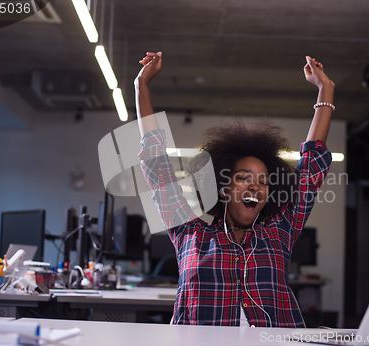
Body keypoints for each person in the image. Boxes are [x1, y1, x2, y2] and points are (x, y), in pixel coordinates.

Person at [135, 51, 334, 327]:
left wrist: (326, 91)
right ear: (221, 188)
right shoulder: (190, 235)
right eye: (244, 177)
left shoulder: (279, 232)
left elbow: (310, 166)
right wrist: (141, 88)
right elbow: (157, 167)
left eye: (263, 182)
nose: (255, 186)